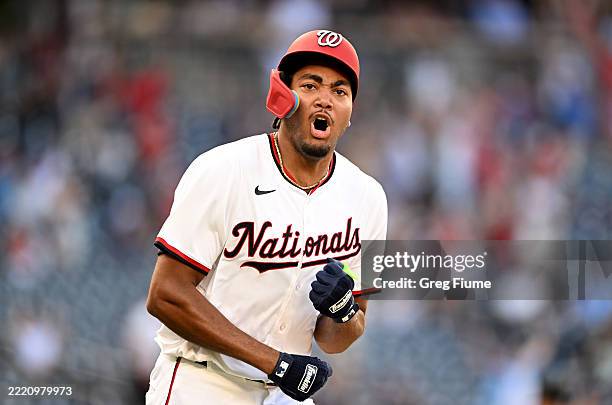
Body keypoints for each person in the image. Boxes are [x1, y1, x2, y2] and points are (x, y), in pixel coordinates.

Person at [145, 29, 388, 405]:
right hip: (203, 381)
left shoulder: (368, 198)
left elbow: (338, 338)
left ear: (350, 113)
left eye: (340, 91)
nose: (325, 100)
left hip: (285, 393)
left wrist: (342, 311)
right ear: (282, 97)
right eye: (310, 85)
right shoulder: (223, 170)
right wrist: (273, 363)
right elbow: (166, 295)